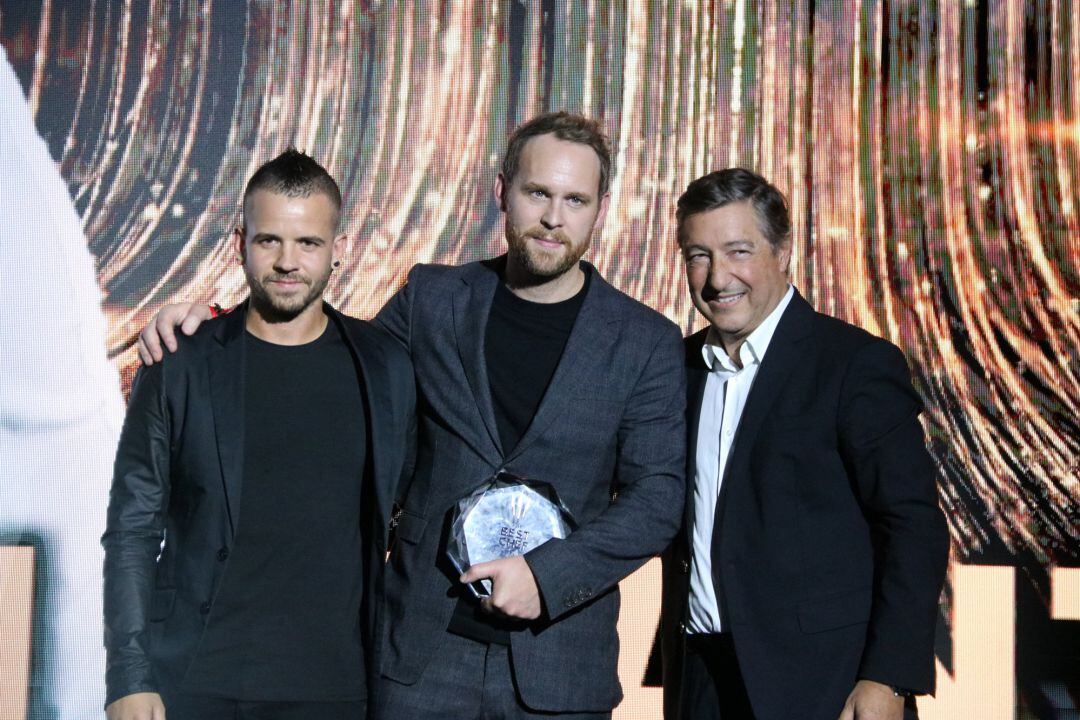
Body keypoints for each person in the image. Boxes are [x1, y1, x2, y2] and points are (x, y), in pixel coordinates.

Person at [135, 112, 686, 720]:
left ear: (600, 208)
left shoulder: (645, 341)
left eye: (575, 199)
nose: (555, 218)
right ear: (502, 191)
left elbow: (656, 497)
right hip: (420, 659)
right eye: (538, 193)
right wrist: (215, 323)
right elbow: (331, 372)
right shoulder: (433, 298)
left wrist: (549, 577)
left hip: (557, 668)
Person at [103, 150, 415, 720]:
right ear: (239, 242)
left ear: (338, 250)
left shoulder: (386, 366)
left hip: (339, 691)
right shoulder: (181, 361)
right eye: (269, 240)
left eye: (309, 243)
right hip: (196, 684)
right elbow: (131, 529)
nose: (288, 262)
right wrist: (128, 675)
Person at [660, 168, 949, 720]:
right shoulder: (674, 370)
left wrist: (889, 676)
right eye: (699, 255)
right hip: (699, 681)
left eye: (738, 251)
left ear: (784, 251)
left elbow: (913, 525)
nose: (719, 278)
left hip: (824, 685)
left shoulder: (853, 364)